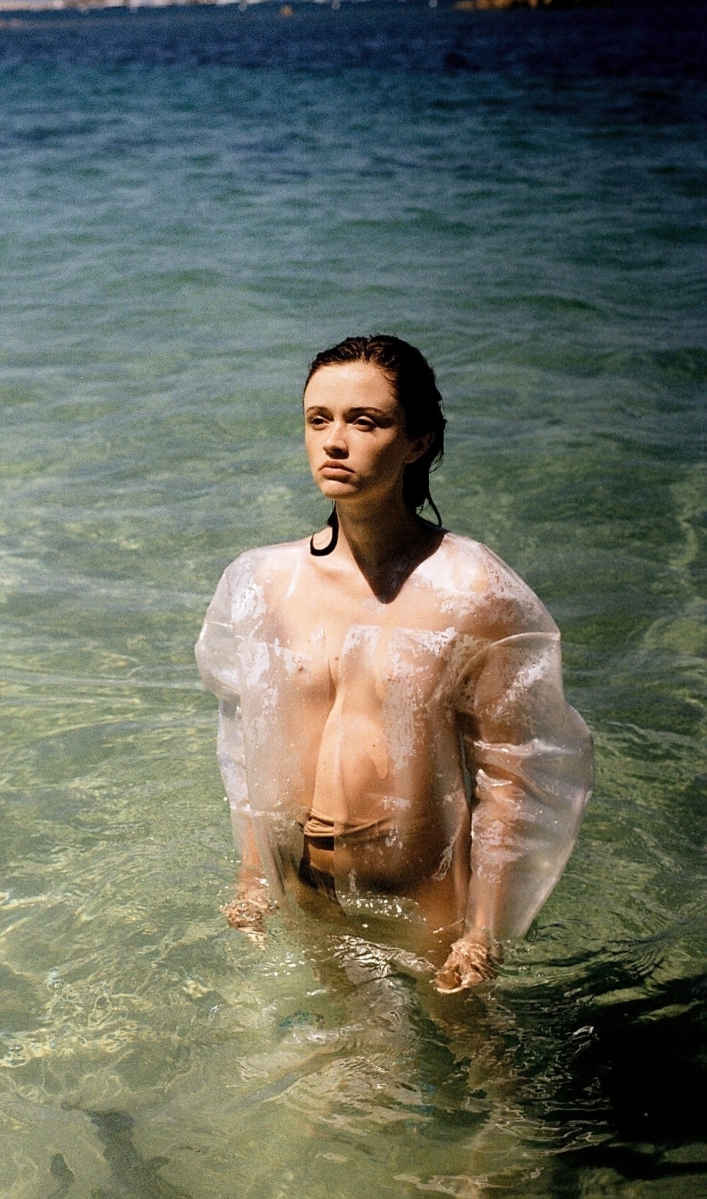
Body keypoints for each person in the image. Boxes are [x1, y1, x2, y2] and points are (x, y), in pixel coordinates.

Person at [196, 335, 593, 993]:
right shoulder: (260, 582)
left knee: (476, 1054)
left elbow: (516, 772)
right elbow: (248, 744)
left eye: (365, 421)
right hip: (305, 888)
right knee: (335, 1052)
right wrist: (253, 874)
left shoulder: (470, 588)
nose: (334, 441)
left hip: (422, 896)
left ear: (417, 441)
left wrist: (483, 931)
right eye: (318, 419)